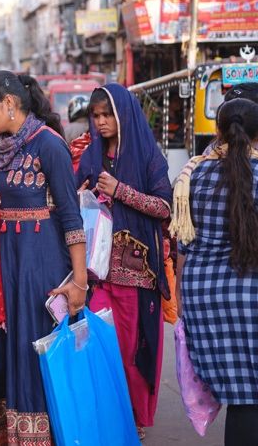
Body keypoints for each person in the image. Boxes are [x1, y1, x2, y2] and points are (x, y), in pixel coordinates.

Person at [0, 71, 87, 445]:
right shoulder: (1, 145)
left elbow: (71, 215)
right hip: (4, 267)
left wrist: (78, 281)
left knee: (33, 353)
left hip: (40, 265)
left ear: (10, 103)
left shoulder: (48, 145)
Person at [76, 84, 173, 439]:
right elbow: (75, 201)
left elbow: (164, 208)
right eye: (96, 115)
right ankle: (106, 414)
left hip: (136, 275)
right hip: (97, 273)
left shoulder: (148, 155)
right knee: (98, 347)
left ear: (123, 115)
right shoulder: (91, 156)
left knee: (132, 353)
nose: (101, 122)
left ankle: (132, 419)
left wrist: (121, 191)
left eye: (107, 115)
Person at [172, 99, 258, 446]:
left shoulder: (190, 176)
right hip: (250, 296)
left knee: (240, 395)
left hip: (204, 298)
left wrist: (180, 297)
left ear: (217, 131)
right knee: (251, 398)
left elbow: (182, 243)